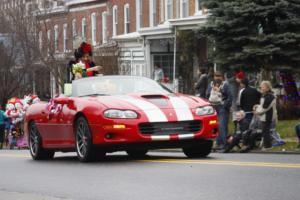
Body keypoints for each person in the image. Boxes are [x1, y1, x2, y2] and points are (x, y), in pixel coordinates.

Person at [207, 71, 232, 149]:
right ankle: (218, 143)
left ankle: (224, 144)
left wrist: (224, 106)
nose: (217, 77)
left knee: (222, 125)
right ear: (214, 77)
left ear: (222, 77)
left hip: (222, 107)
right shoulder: (211, 84)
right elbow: (207, 94)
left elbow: (230, 97)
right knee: (215, 125)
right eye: (216, 76)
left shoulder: (226, 84)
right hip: (213, 107)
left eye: (219, 76)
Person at [253, 81, 277, 150]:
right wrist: (257, 106)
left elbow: (265, 108)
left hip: (268, 116)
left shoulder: (270, 96)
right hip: (264, 116)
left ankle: (268, 146)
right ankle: (267, 145)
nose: (261, 88)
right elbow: (262, 105)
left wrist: (257, 112)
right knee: (265, 131)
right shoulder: (265, 95)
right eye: (261, 86)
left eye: (263, 86)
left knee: (265, 131)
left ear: (267, 88)